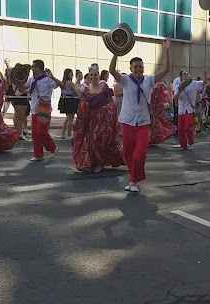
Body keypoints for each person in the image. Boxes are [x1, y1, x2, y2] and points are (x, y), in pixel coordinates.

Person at [109, 37, 172, 193]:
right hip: (127, 122)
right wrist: (116, 53)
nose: (138, 69)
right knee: (129, 153)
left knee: (141, 153)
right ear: (131, 68)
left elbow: (165, 70)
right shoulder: (125, 80)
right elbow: (111, 70)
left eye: (141, 67)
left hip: (143, 123)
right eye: (136, 67)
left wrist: (166, 51)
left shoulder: (149, 81)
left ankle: (134, 179)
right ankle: (133, 180)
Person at [71, 66, 124, 173]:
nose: (93, 77)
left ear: (98, 76)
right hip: (90, 120)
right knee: (89, 141)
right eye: (91, 75)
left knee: (100, 141)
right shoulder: (86, 90)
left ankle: (100, 163)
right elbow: (83, 104)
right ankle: (92, 162)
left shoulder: (105, 88)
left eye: (95, 75)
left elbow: (111, 103)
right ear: (89, 77)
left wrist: (108, 113)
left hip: (103, 120)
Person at [20, 59, 63, 161]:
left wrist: (52, 77)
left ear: (38, 67)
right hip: (35, 107)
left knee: (41, 131)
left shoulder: (47, 79)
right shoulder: (32, 79)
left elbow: (62, 85)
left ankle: (52, 147)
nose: (32, 68)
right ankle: (38, 155)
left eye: (33, 66)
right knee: (35, 133)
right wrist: (19, 81)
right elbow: (23, 89)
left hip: (44, 107)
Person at [173, 68, 207, 150]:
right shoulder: (178, 86)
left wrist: (205, 74)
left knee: (187, 127)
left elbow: (204, 82)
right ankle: (183, 145)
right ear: (181, 77)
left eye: (187, 74)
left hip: (189, 109)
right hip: (181, 110)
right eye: (184, 74)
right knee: (180, 130)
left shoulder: (194, 84)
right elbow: (175, 97)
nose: (186, 75)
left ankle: (191, 142)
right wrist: (180, 89)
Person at [149, 77, 177, 145]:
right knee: (157, 123)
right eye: (163, 78)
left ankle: (154, 138)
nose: (164, 79)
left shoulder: (160, 86)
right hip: (158, 107)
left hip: (161, 106)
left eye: (165, 78)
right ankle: (153, 138)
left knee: (158, 122)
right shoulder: (159, 86)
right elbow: (154, 97)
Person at [6, 69, 30, 141]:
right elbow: (18, 91)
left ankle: (20, 132)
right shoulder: (16, 81)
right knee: (18, 116)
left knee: (22, 116)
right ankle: (18, 133)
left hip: (23, 99)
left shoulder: (23, 80)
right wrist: (29, 89)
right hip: (19, 99)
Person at [58, 68, 80, 140]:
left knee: (67, 118)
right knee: (71, 118)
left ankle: (63, 133)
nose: (72, 75)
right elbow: (76, 92)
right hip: (70, 100)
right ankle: (69, 134)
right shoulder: (70, 83)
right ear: (67, 74)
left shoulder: (62, 82)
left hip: (64, 100)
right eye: (71, 74)